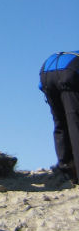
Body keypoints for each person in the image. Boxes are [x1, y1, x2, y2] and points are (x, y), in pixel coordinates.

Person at [39, 51, 79, 185]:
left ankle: (65, 167)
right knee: (75, 123)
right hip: (68, 72)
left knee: (60, 122)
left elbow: (40, 86)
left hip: (45, 72)